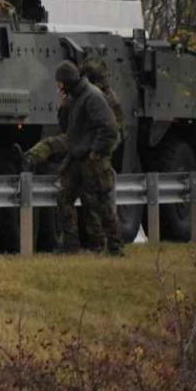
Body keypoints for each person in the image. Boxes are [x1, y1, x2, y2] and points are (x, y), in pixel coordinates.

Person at [25, 61, 123, 255]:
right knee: (64, 198)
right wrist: (63, 107)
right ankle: (71, 246)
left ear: (68, 81)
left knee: (100, 204)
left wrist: (96, 152)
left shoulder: (92, 96)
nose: (58, 87)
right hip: (77, 157)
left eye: (60, 83)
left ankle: (114, 247)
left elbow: (110, 129)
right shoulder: (76, 97)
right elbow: (68, 127)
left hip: (93, 160)